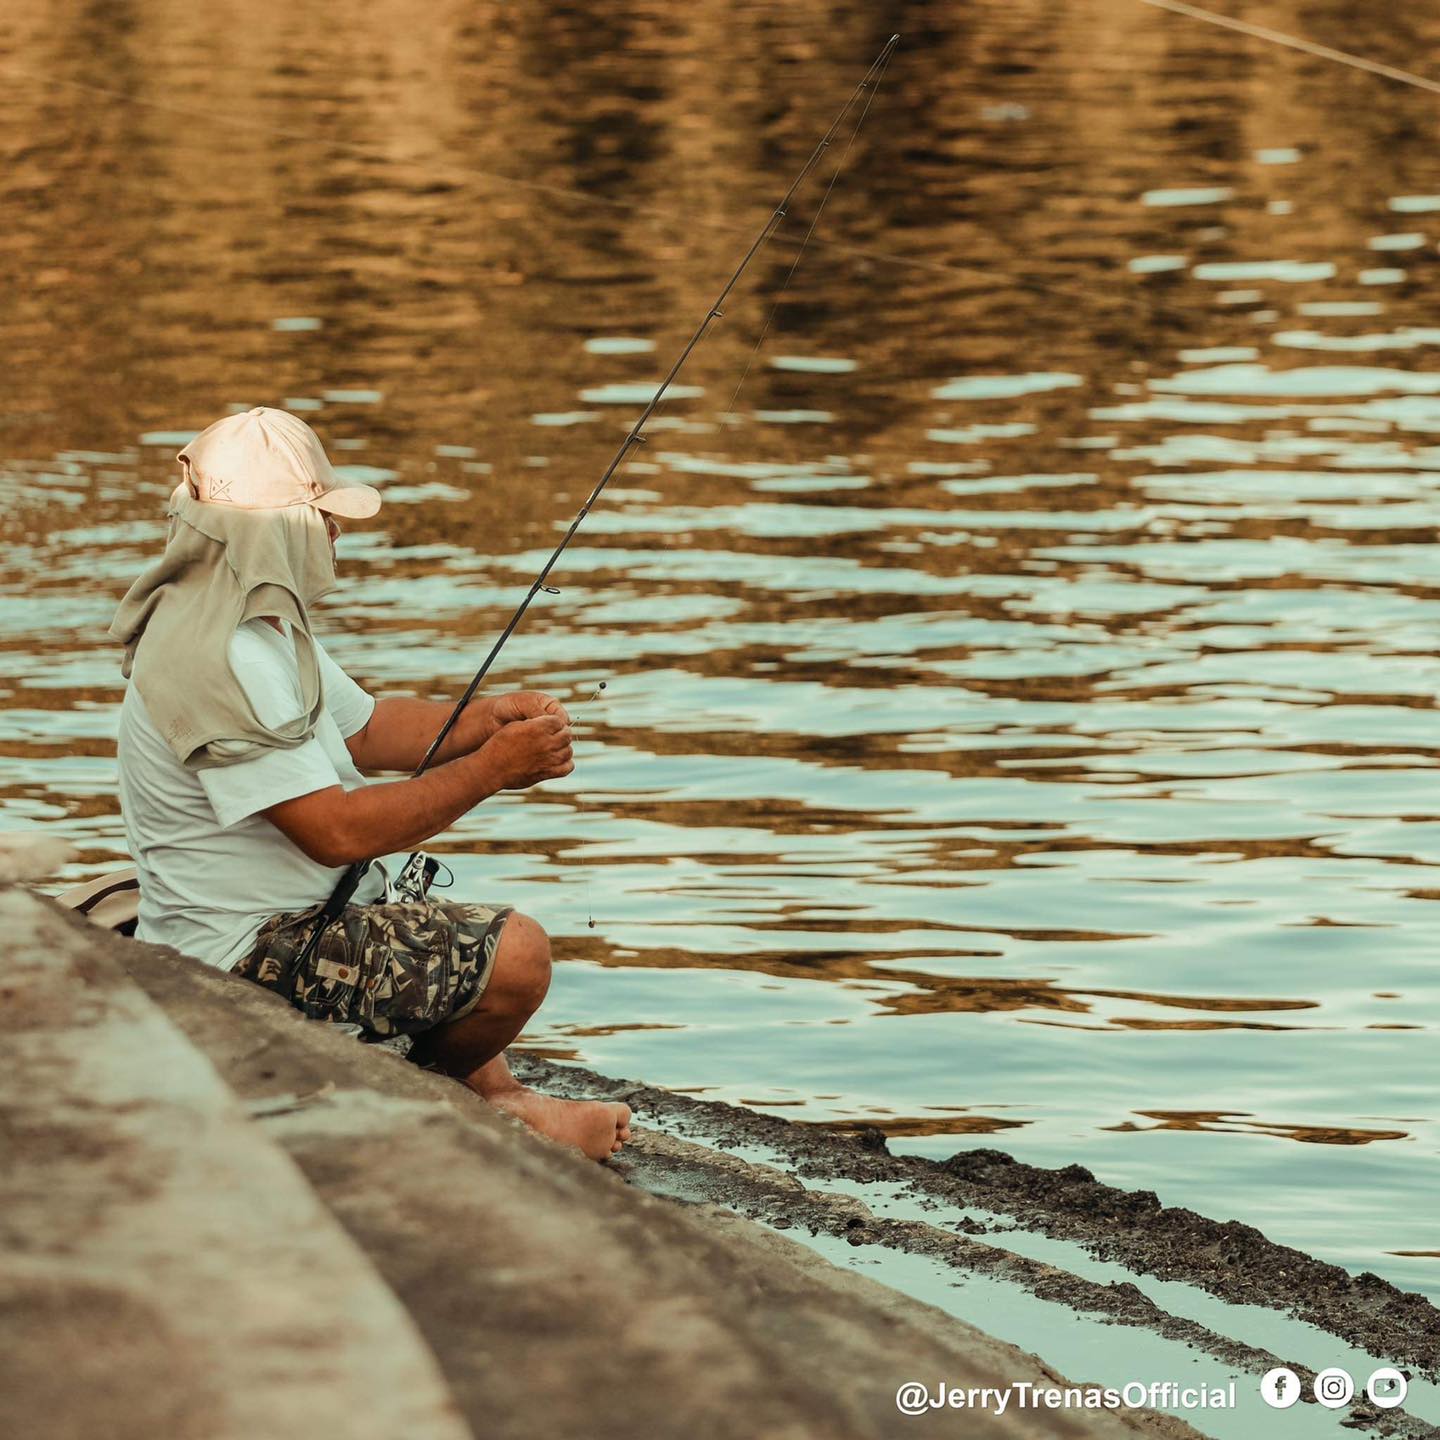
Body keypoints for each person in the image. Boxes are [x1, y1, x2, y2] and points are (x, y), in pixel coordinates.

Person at [111, 407, 630, 1161]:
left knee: (418, 913)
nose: (335, 534)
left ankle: (496, 1096)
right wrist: (490, 772)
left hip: (276, 923)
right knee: (517, 954)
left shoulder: (251, 625)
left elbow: (369, 729)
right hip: (236, 960)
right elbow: (337, 834)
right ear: (277, 528)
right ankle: (447, 1110)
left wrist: (487, 720)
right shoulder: (222, 657)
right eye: (322, 517)